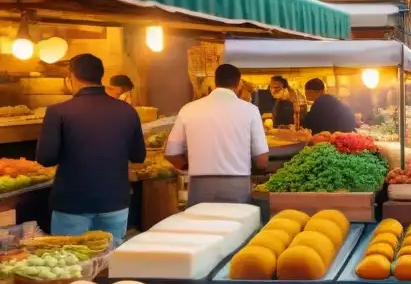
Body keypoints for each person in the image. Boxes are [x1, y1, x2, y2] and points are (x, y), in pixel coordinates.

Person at [36, 54, 146, 240]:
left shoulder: (57, 112)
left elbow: (45, 158)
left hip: (72, 204)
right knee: (109, 262)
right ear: (100, 76)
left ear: (71, 77)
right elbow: (138, 156)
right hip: (115, 202)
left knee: (73, 265)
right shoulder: (127, 110)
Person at [165, 64, 270, 206]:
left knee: (203, 225)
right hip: (237, 185)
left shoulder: (189, 109)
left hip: (200, 185)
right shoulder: (250, 110)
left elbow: (171, 153)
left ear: (216, 82)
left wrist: (190, 166)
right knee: (237, 226)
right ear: (238, 83)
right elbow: (262, 160)